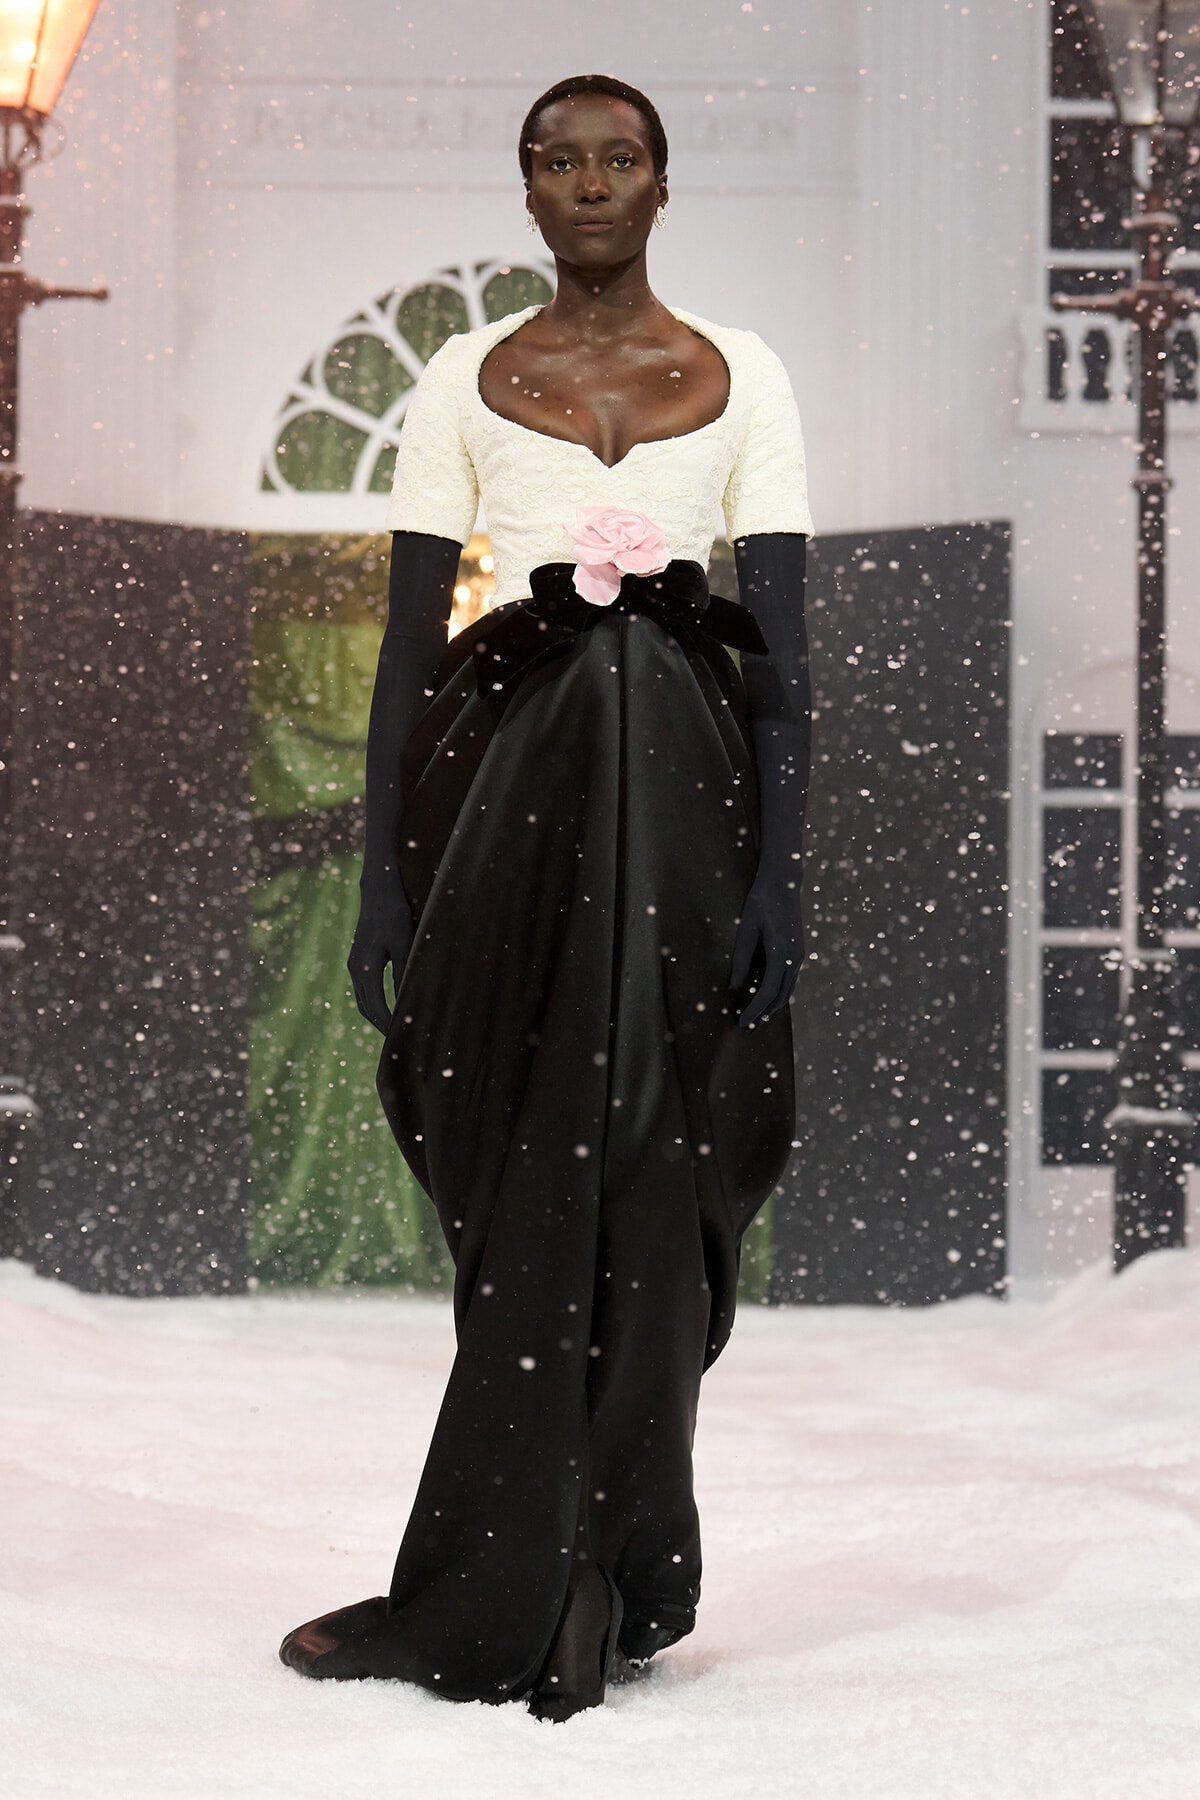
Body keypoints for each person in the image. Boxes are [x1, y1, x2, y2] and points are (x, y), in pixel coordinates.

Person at [278, 72, 813, 1722]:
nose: (589, 182)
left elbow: (786, 657)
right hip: (508, 812)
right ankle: (503, 1569)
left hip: (689, 814)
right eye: (556, 160)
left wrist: (787, 869)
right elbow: (407, 649)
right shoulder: (465, 376)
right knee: (526, 1170)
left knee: (657, 1171)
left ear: (664, 183)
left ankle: (617, 1567)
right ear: (528, 193)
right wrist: (380, 879)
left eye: (618, 157)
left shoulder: (745, 375)